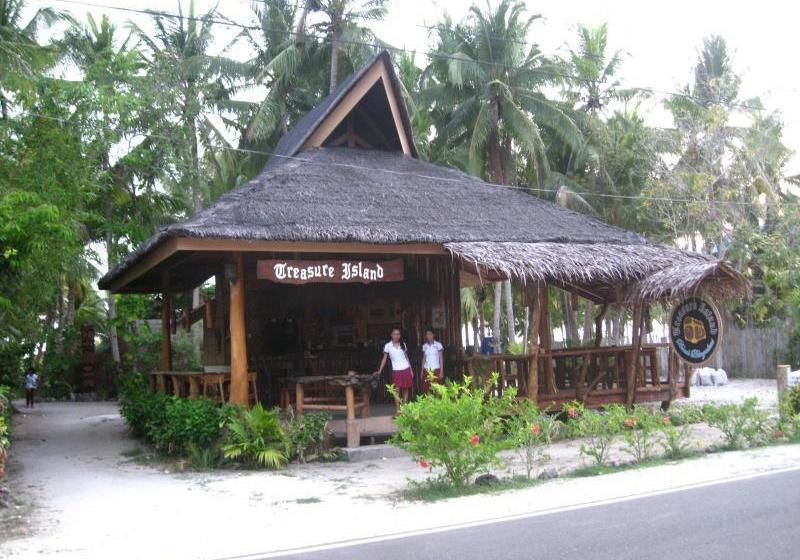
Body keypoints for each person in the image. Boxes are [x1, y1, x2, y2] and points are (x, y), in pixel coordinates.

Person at [374, 328, 413, 412]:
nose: (396, 336)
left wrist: (411, 369)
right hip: (396, 370)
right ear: (391, 335)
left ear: (400, 336)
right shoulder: (388, 346)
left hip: (406, 368)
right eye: (394, 334)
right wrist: (379, 370)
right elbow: (384, 359)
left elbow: (406, 357)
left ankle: (404, 409)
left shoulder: (403, 344)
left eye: (398, 334)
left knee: (406, 389)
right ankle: (398, 410)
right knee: (396, 390)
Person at [420, 328, 444, 393]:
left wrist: (441, 371)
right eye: (427, 334)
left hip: (436, 368)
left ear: (434, 335)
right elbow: (424, 359)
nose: (429, 336)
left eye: (430, 334)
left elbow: (441, 358)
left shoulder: (438, 345)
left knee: (437, 389)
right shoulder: (425, 346)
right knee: (427, 389)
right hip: (426, 369)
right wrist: (422, 371)